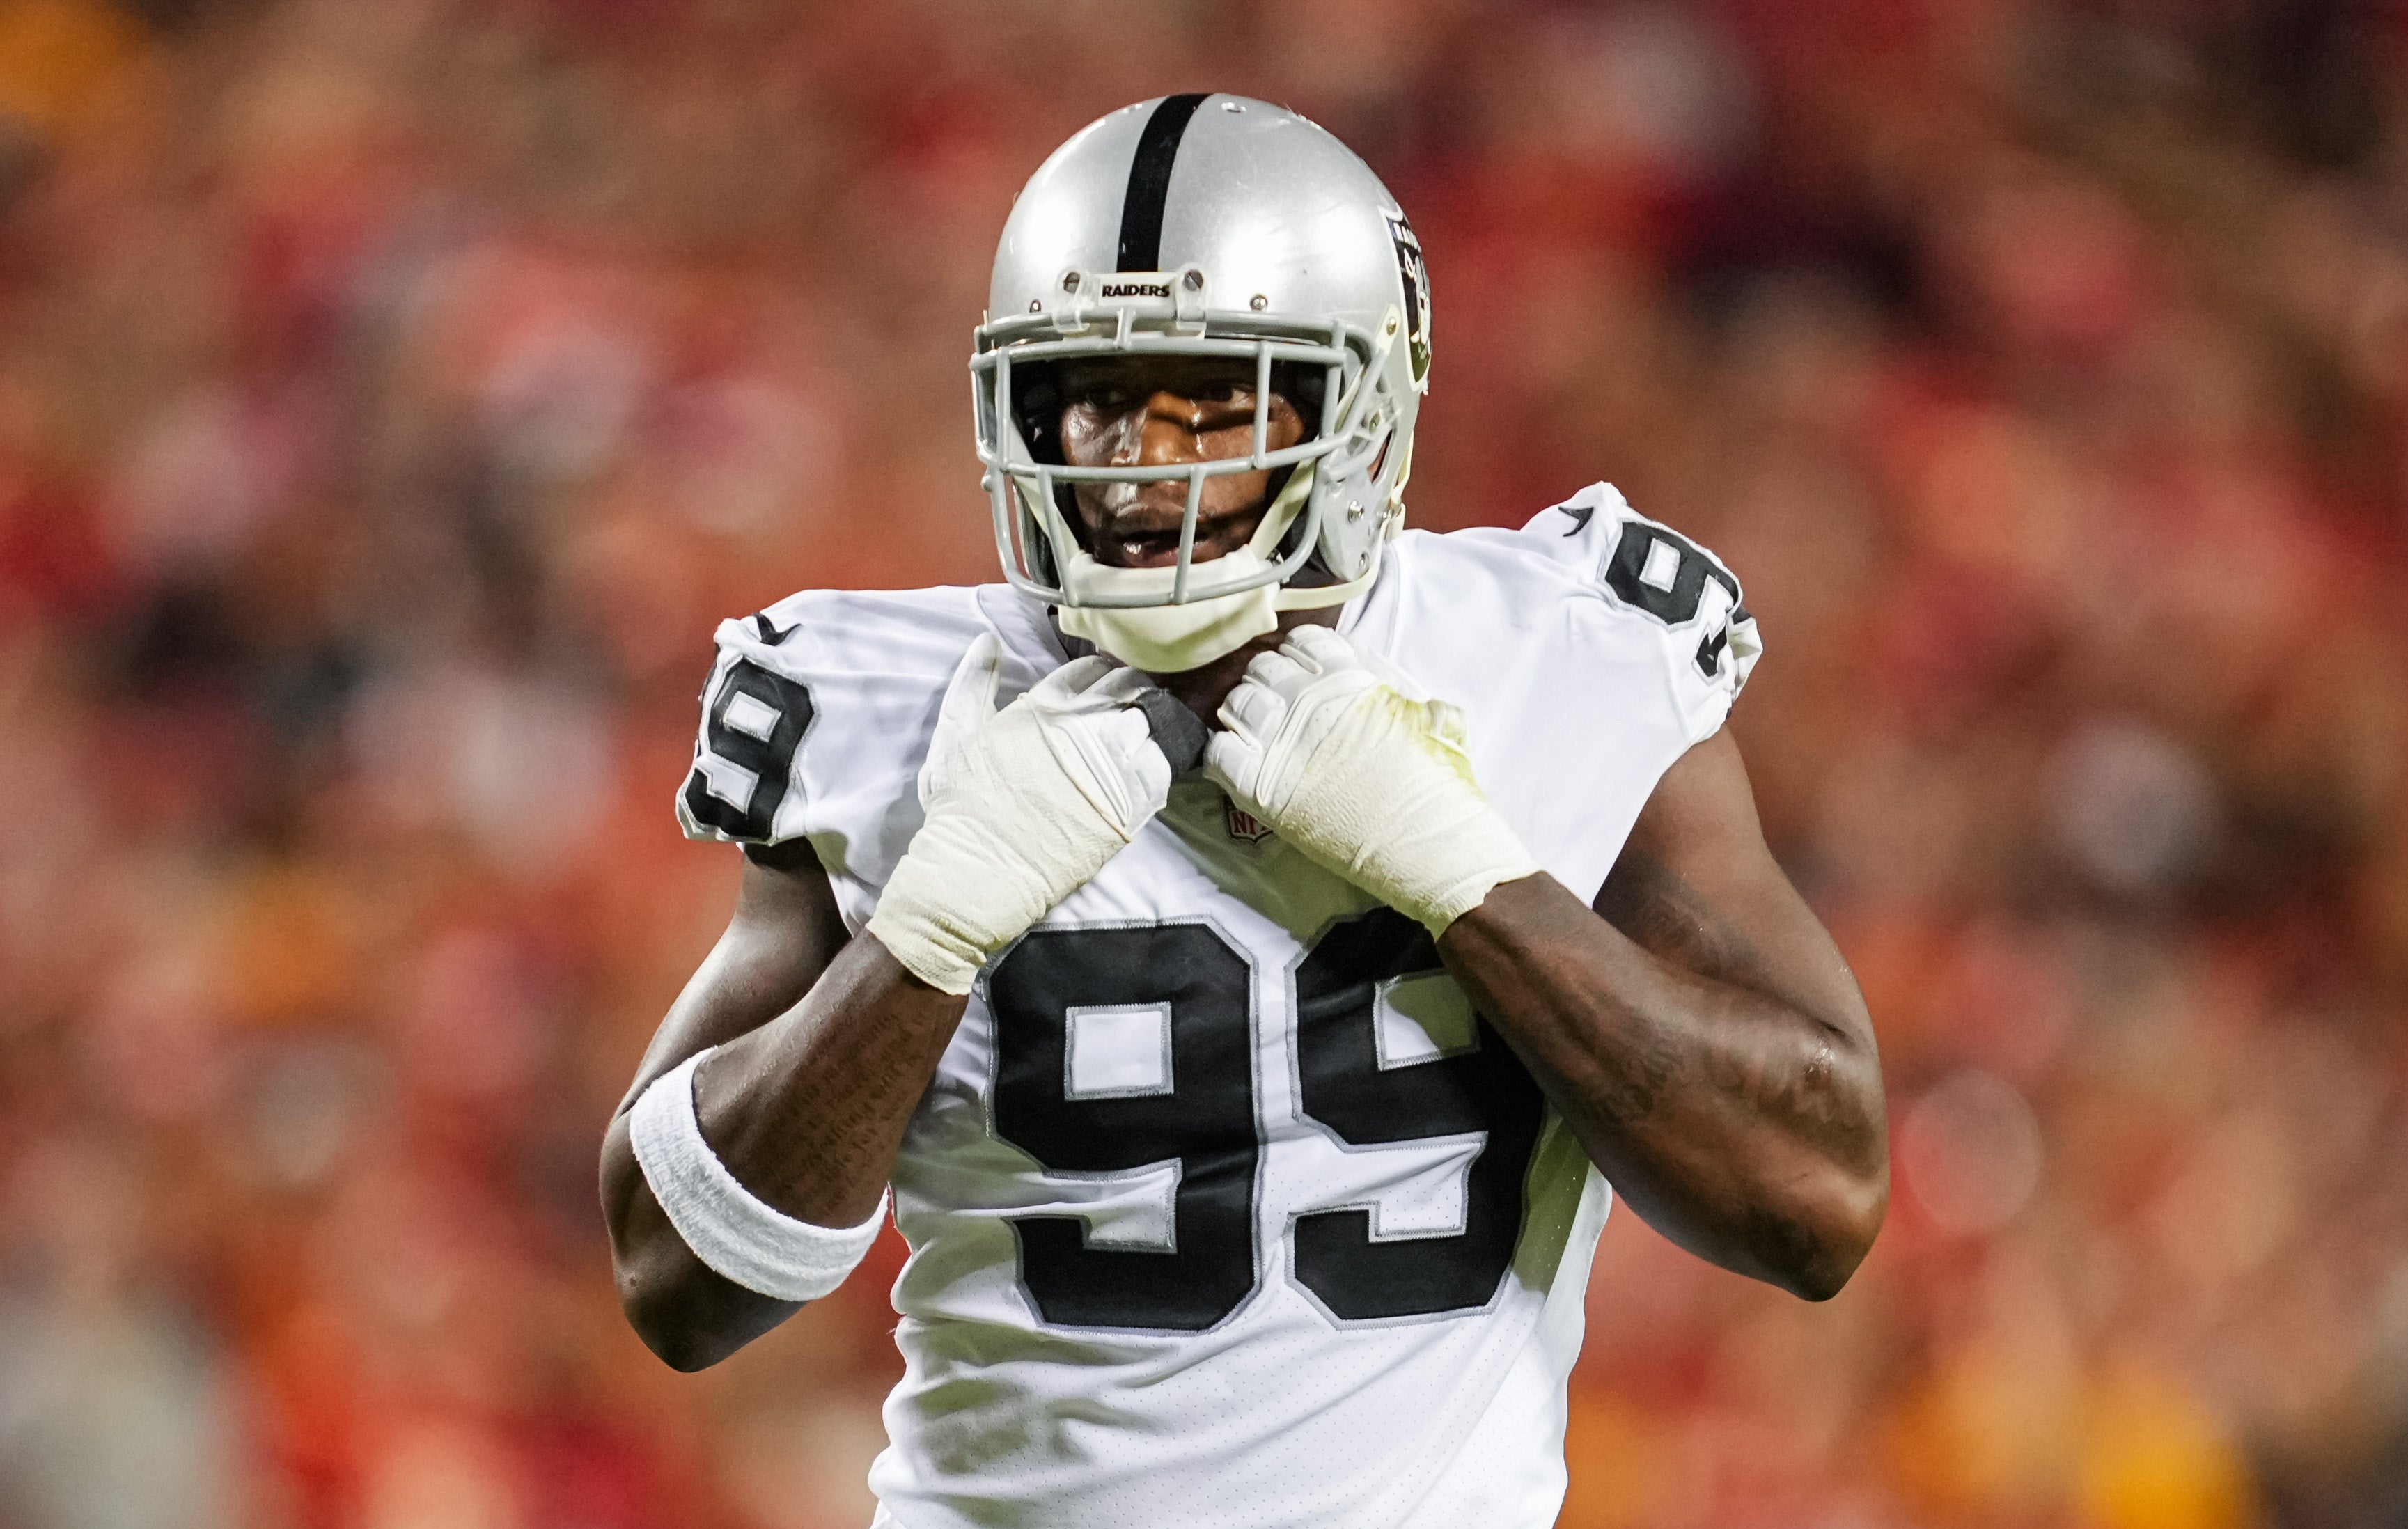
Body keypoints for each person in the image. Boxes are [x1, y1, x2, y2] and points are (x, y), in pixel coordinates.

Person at [600, 94, 1887, 1528]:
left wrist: (1472, 878)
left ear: (1360, 412)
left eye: (1213, 397)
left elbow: (1814, 1203)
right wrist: (928, 927)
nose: (1142, 461)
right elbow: (680, 1283)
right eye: (1095, 395)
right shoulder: (875, 702)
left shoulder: (1568, 655)